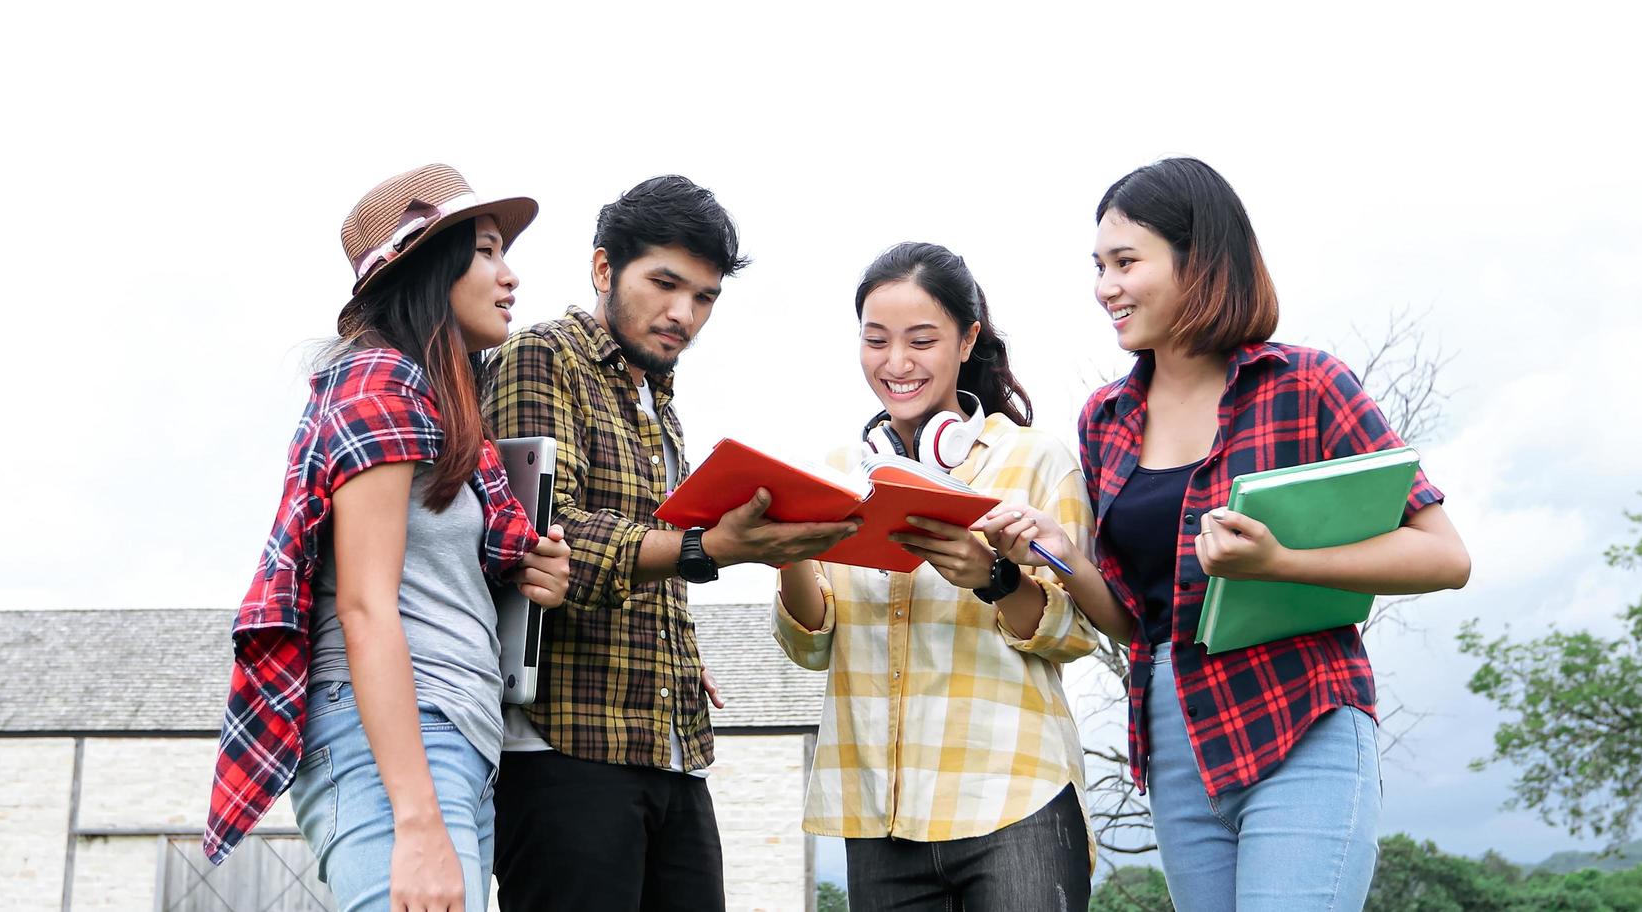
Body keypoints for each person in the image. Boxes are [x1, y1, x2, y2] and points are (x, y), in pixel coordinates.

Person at [979, 158, 1471, 911]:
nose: (1103, 286)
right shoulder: (1105, 419)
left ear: (1197, 261)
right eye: (1098, 266)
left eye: (1124, 262)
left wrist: (1280, 561)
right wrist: (1058, 552)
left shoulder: (1304, 385)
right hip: (1176, 738)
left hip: (1300, 714)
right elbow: (1131, 617)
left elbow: (1443, 555)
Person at [482, 175, 859, 912]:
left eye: (706, 296)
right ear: (602, 269)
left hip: (672, 743)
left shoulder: (661, 402)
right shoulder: (540, 357)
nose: (683, 313)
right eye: (665, 283)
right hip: (566, 748)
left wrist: (675, 645)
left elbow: (651, 554)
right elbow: (540, 536)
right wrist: (707, 548)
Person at [205, 163, 573, 912]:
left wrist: (539, 569)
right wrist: (416, 819)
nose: (510, 277)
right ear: (427, 268)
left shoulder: (440, 409)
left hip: (451, 737)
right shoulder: (379, 383)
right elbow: (367, 607)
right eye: (486, 251)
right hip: (396, 746)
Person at [774, 242, 1102, 911]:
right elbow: (810, 646)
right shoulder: (836, 473)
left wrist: (996, 577)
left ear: (966, 339)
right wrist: (785, 551)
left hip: (1015, 799)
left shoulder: (1037, 462)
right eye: (875, 340)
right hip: (877, 814)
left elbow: (1080, 633)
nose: (895, 363)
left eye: (921, 340)